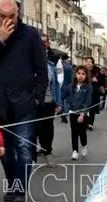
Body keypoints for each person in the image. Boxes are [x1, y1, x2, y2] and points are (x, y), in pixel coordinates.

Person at [0, 0, 48, 202]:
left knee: (24, 147)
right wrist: (0, 39)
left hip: (25, 102)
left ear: (18, 12)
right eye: (3, 17)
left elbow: (41, 70)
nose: (8, 21)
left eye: (12, 17)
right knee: (5, 149)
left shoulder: (31, 35)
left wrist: (37, 98)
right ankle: (13, 183)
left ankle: (19, 189)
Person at [36, 37, 62, 168]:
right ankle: (33, 153)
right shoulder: (30, 63)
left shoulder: (52, 63)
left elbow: (57, 84)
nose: (43, 44)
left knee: (48, 127)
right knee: (36, 127)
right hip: (36, 102)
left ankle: (47, 150)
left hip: (49, 101)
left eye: (45, 41)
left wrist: (58, 102)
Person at [64, 66, 93, 161]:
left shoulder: (88, 87)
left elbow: (87, 102)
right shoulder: (70, 86)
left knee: (82, 132)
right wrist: (66, 108)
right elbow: (65, 97)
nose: (80, 76)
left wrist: (82, 114)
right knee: (74, 132)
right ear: (75, 74)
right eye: (79, 73)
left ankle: (84, 146)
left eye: (83, 74)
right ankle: (75, 151)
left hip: (83, 113)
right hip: (72, 112)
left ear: (86, 76)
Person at [85, 57, 102, 130]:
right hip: (84, 92)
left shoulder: (97, 71)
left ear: (92, 63)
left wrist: (97, 80)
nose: (88, 63)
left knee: (92, 109)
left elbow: (103, 82)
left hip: (94, 92)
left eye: (90, 62)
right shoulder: (83, 70)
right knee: (85, 108)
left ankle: (90, 123)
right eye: (87, 61)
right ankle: (85, 123)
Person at [60, 54, 73, 123]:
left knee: (61, 101)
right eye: (68, 59)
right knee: (67, 101)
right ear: (66, 59)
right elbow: (71, 78)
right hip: (68, 85)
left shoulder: (59, 66)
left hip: (61, 86)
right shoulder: (69, 67)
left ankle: (62, 113)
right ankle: (65, 114)